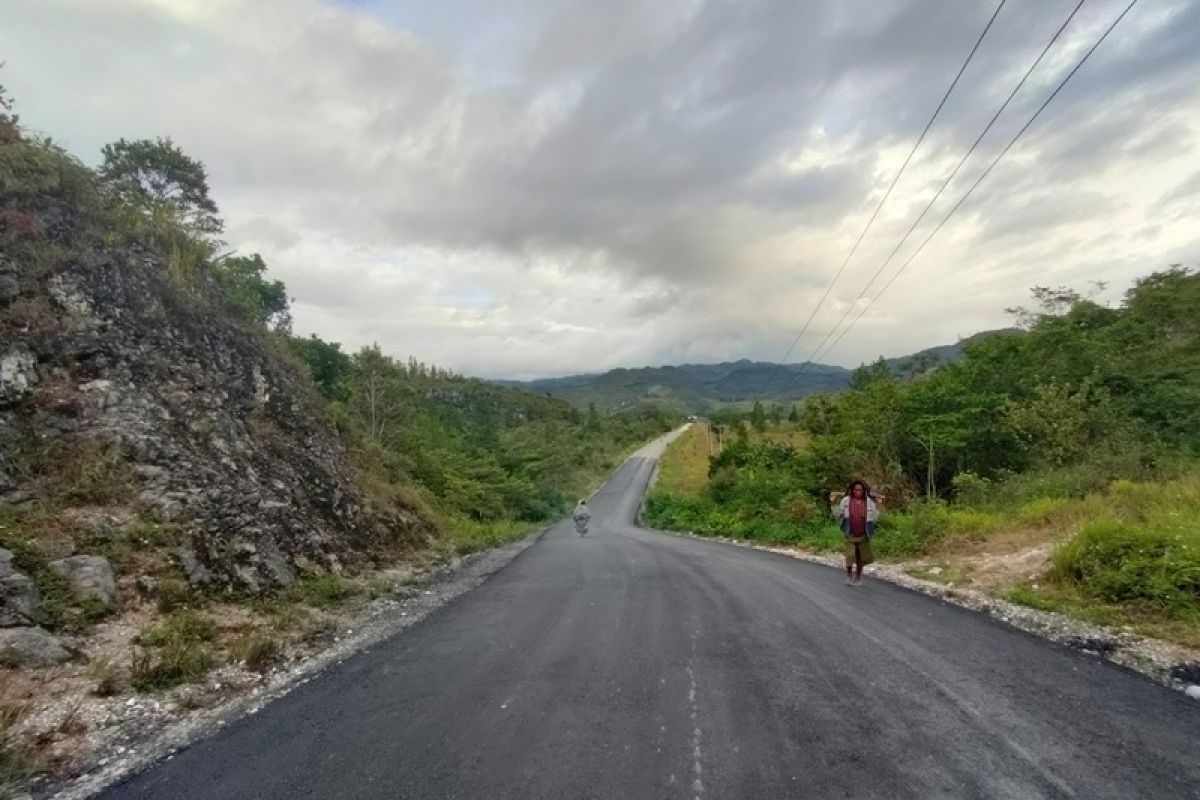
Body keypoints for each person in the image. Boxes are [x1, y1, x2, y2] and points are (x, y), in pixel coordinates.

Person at [832, 479, 879, 585]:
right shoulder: (846, 501)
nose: (858, 491)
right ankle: (849, 576)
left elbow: (875, 517)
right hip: (850, 534)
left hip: (864, 534)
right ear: (852, 490)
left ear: (864, 491)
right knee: (850, 555)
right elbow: (838, 514)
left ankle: (858, 578)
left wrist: (879, 505)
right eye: (856, 489)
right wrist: (833, 502)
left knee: (861, 558)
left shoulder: (869, 502)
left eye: (860, 490)